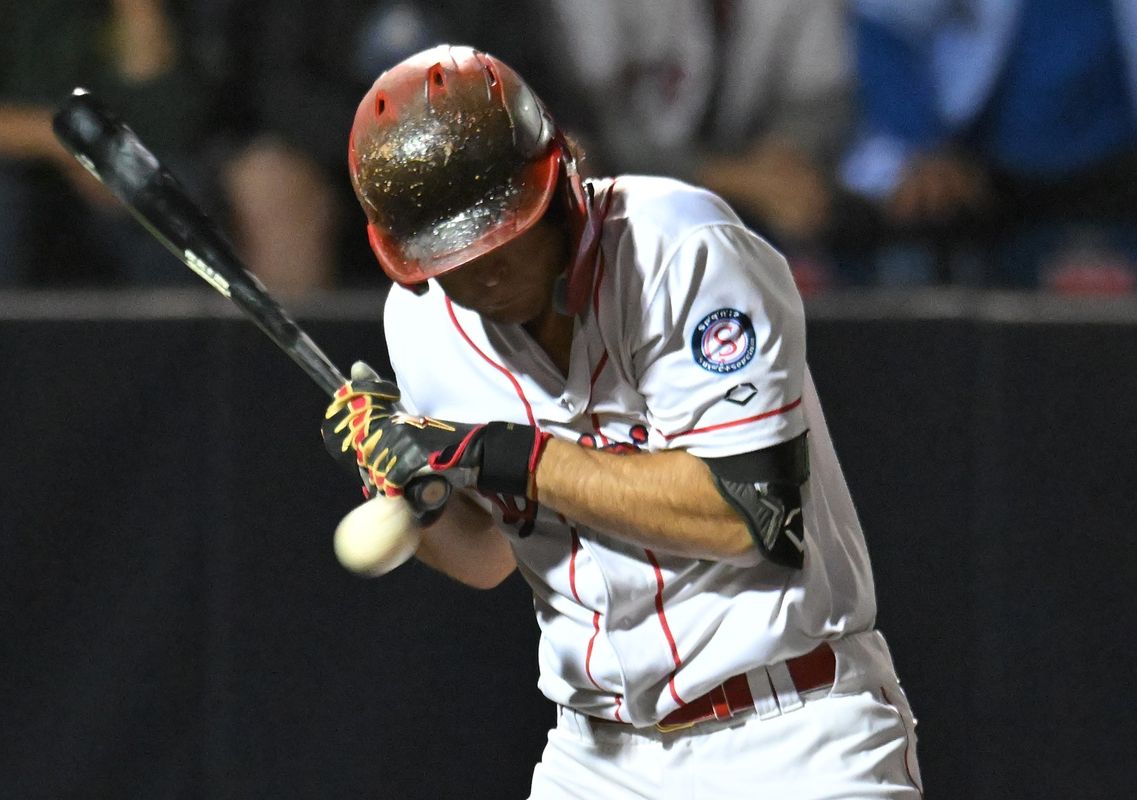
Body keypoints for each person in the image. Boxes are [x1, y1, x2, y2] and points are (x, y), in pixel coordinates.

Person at [322, 46, 923, 798]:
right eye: (450, 255)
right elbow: (485, 558)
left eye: (501, 234)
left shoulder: (680, 247)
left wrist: (510, 457)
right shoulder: (421, 326)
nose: (481, 271)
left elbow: (755, 515)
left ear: (558, 178)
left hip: (793, 731)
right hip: (596, 757)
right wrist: (413, 484)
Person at [841, 0, 1137, 290]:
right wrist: (922, 143)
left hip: (1129, 165)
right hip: (982, 164)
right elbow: (887, 25)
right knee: (914, 217)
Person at [531, 0, 861, 293]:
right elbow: (595, 118)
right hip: (608, 203)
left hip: (756, 210)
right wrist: (735, 180)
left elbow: (818, 100)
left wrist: (784, 158)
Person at [0, 0, 219, 287]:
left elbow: (161, 115)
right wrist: (59, 140)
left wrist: (136, 9)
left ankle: (171, 329)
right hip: (23, 162)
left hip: (101, 163)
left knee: (165, 187)